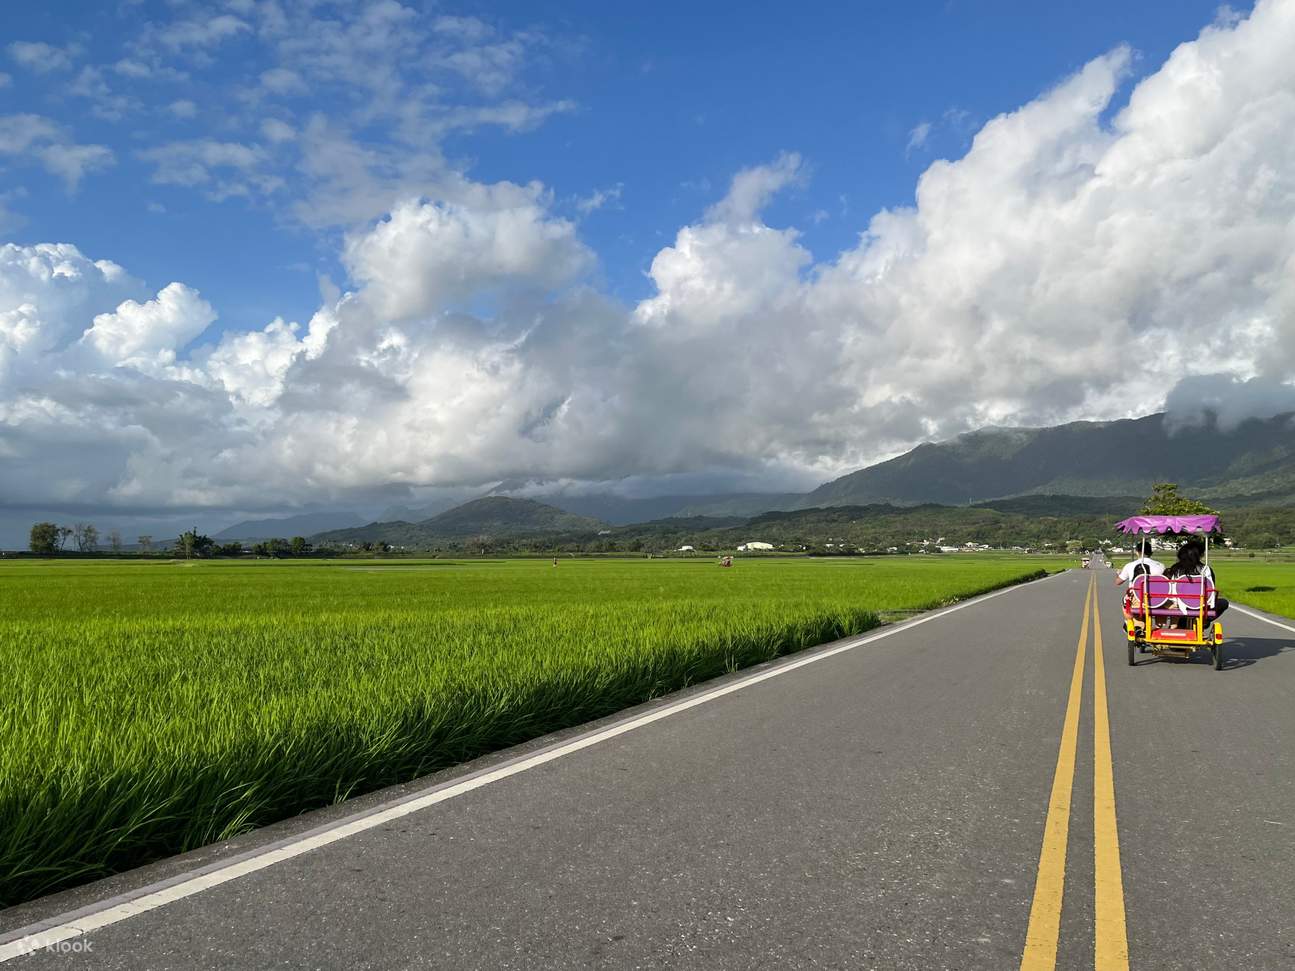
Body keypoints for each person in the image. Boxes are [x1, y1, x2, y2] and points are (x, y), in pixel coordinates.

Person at [1116, 539, 1164, 634]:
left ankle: (1129, 621)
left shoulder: (1130, 565)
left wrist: (1117, 574)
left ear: (1137, 552)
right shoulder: (1161, 566)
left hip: (1137, 599)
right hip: (1156, 600)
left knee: (1125, 601)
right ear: (1151, 553)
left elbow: (1118, 582)